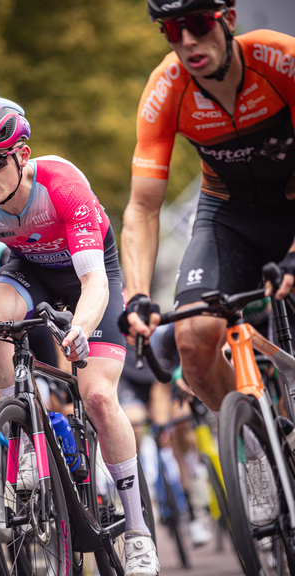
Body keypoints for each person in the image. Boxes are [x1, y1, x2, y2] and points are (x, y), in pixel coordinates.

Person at [0, 97, 160, 576]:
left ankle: (136, 530)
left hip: (89, 277)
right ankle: (24, 439)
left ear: (21, 154)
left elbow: (93, 283)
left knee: (95, 394)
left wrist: (79, 327)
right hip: (30, 272)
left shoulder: (62, 185)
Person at [120, 0, 295, 525]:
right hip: (229, 217)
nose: (187, 42)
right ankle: (255, 453)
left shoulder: (281, 60)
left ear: (228, 21)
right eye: (172, 30)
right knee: (194, 340)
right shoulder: (166, 88)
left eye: (197, 25)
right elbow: (143, 208)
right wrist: (137, 294)